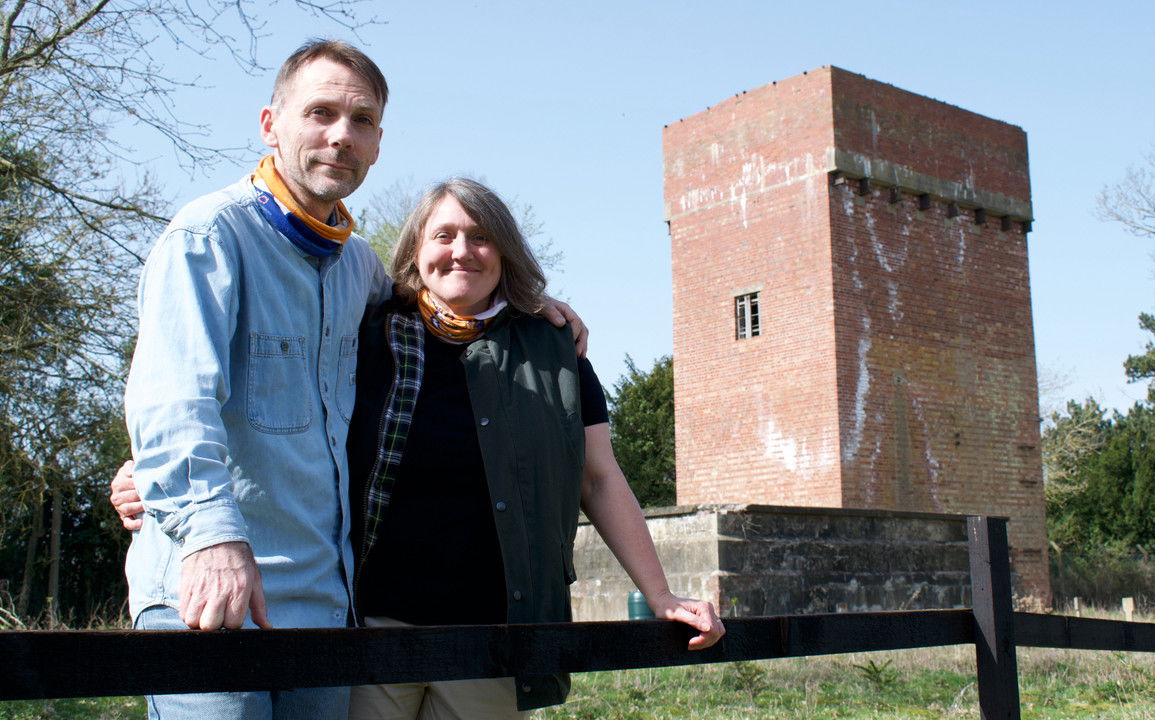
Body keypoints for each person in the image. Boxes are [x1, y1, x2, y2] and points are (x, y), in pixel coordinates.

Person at [114, 177, 724, 719]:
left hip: (493, 633)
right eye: (444, 235)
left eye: (481, 237)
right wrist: (152, 465)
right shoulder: (366, 333)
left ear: (505, 253)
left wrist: (661, 595)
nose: (462, 250)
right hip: (370, 627)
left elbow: (599, 479)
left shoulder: (553, 352)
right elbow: (278, 399)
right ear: (415, 251)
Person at [119, 40, 582, 720]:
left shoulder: (360, 270)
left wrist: (528, 307)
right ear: (271, 125)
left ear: (378, 144)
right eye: (321, 113)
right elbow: (172, 402)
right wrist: (204, 529)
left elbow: (444, 304)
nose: (341, 135)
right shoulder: (208, 237)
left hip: (323, 614)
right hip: (210, 592)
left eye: (361, 120)